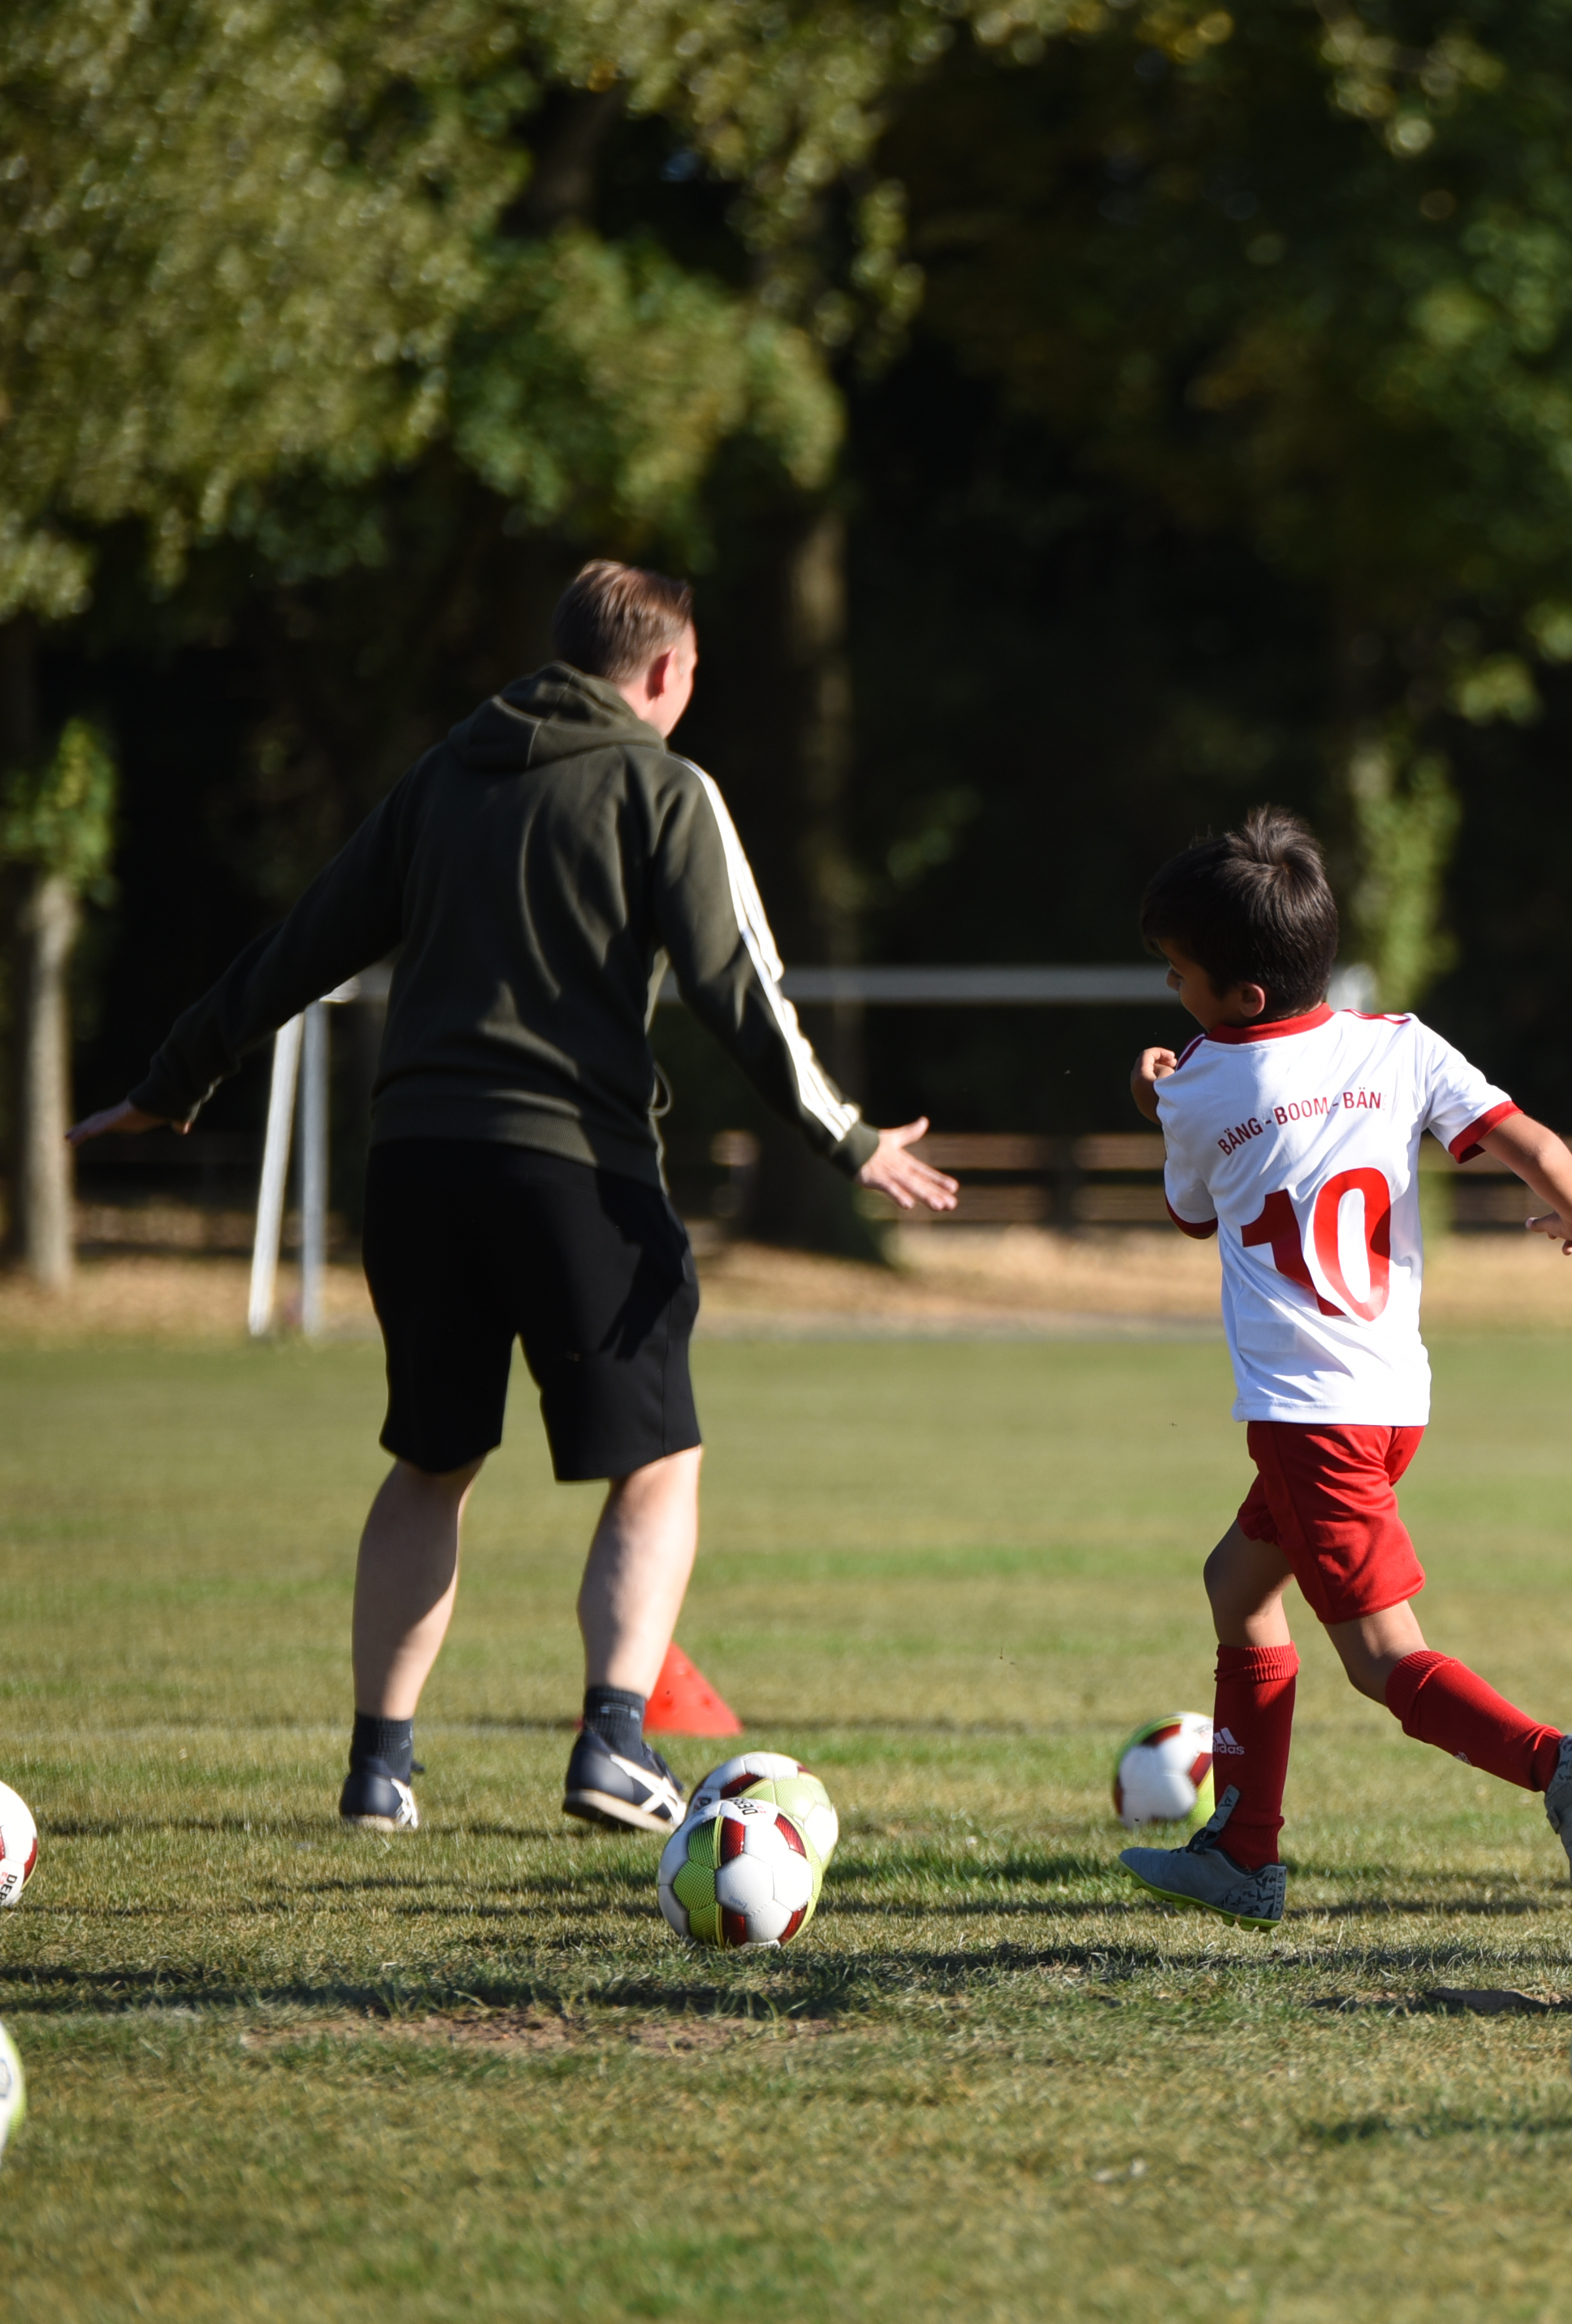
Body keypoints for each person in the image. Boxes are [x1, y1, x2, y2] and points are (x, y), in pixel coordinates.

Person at [67, 562, 958, 1838]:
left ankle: (378, 1769)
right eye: (693, 677)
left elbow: (303, 942)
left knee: (431, 1459)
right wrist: (849, 1138)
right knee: (658, 1463)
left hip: (415, 1166)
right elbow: (737, 985)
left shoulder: (443, 774)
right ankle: (611, 1742)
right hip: (574, 1168)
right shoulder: (664, 788)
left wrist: (172, 1079)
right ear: (662, 670)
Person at [1115, 810, 1572, 1927]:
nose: (1173, 991)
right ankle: (1242, 1852)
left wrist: (1156, 1100)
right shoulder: (1399, 1041)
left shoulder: (1201, 1084)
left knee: (1381, 1659)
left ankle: (1555, 1764)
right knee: (1235, 1586)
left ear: (1239, 997)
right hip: (1393, 1400)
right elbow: (1527, 1138)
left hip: (1309, 1417)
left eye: (1178, 973)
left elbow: (1189, 1214)